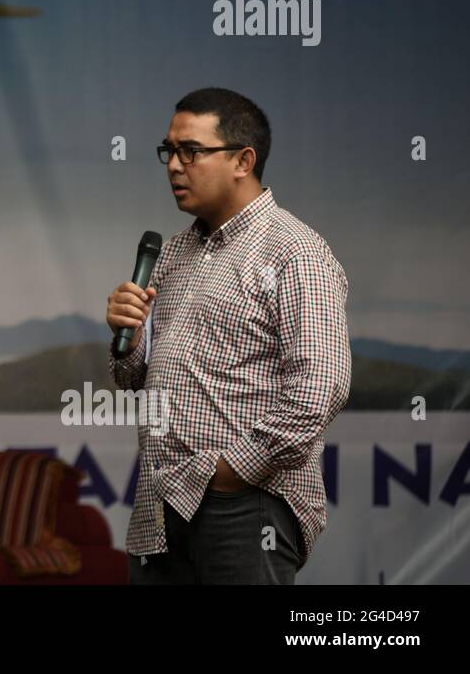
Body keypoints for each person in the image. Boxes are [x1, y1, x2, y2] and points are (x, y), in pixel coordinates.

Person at [104, 87, 350, 584]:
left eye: (190, 151)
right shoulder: (172, 253)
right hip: (159, 505)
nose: (174, 165)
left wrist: (230, 474)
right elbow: (133, 379)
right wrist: (125, 333)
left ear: (243, 160)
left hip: (243, 506)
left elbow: (321, 387)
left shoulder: (294, 251)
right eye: (168, 151)